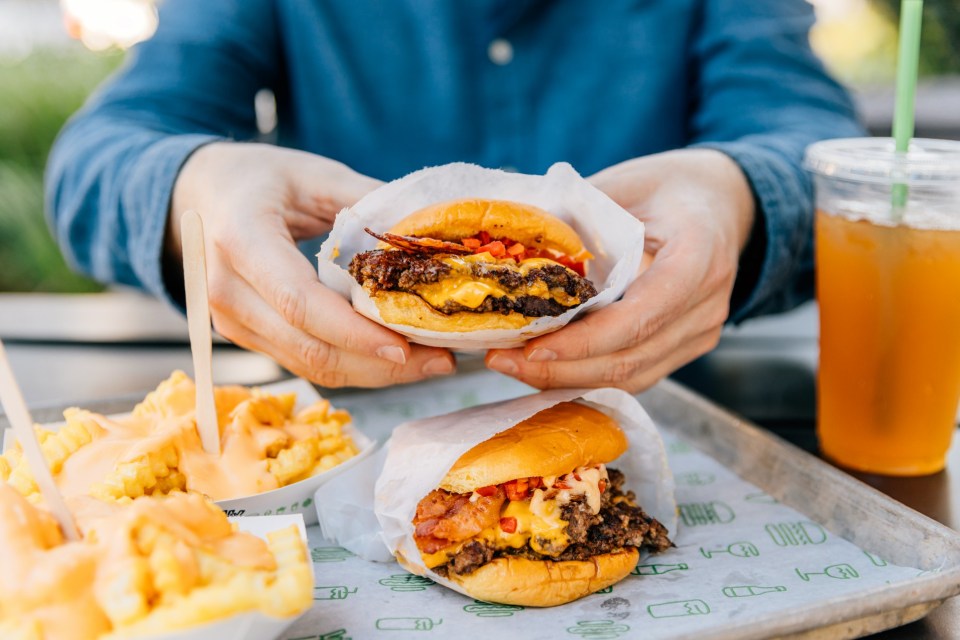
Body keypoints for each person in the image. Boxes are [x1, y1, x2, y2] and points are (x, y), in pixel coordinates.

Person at [46, 0, 863, 392]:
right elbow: (96, 158)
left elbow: (812, 137)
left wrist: (738, 193)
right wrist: (198, 187)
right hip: (338, 412)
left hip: (674, 406)